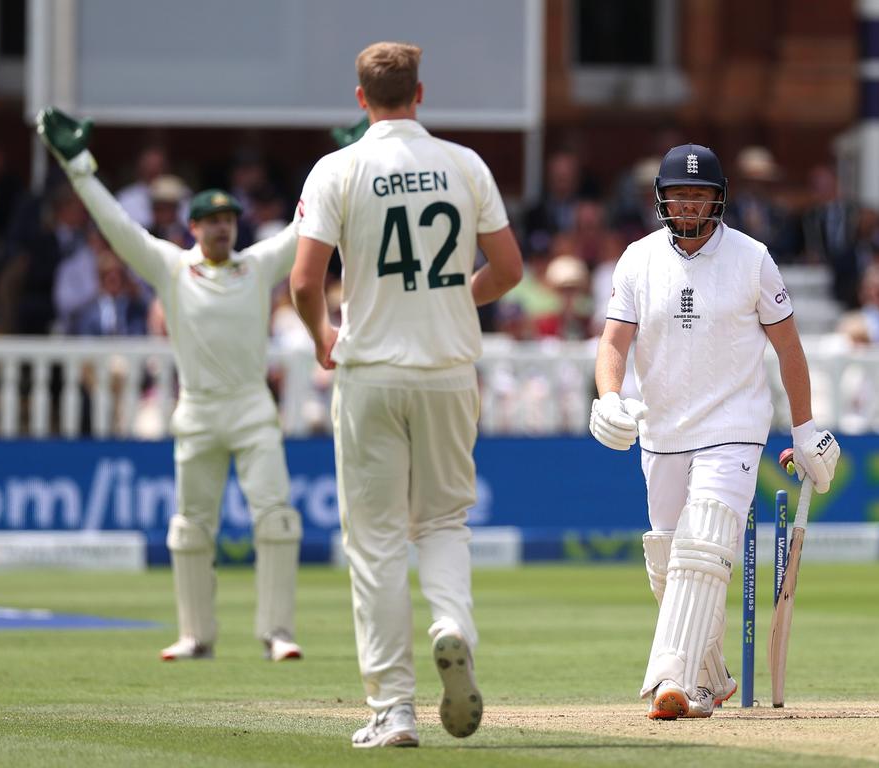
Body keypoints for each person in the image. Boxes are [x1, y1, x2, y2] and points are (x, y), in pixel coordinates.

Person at [291, 41, 523, 748]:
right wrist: (458, 298)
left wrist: (322, 335)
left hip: (371, 372)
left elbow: (304, 281)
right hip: (449, 369)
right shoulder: (464, 163)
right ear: (420, 95)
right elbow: (508, 269)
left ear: (361, 99)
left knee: (377, 542)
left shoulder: (339, 168)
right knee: (445, 522)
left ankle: (393, 708)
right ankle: (452, 624)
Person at [35, 107, 305, 664]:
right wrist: (79, 167)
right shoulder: (171, 268)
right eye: (211, 221)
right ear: (194, 228)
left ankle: (277, 632)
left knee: (276, 521)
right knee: (190, 529)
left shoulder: (258, 266)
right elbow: (117, 227)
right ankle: (195, 635)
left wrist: (353, 157)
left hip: (254, 409)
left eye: (228, 219)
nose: (222, 227)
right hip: (199, 411)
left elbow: (309, 224)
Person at [589, 143, 841, 720]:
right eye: (679, 194)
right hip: (663, 429)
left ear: (719, 199)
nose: (689, 205)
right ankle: (712, 677)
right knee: (669, 559)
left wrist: (803, 430)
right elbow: (613, 343)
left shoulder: (752, 259)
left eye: (699, 195)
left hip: (733, 426)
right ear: (661, 199)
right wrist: (609, 396)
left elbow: (789, 349)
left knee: (704, 545)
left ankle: (669, 680)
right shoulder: (637, 259)